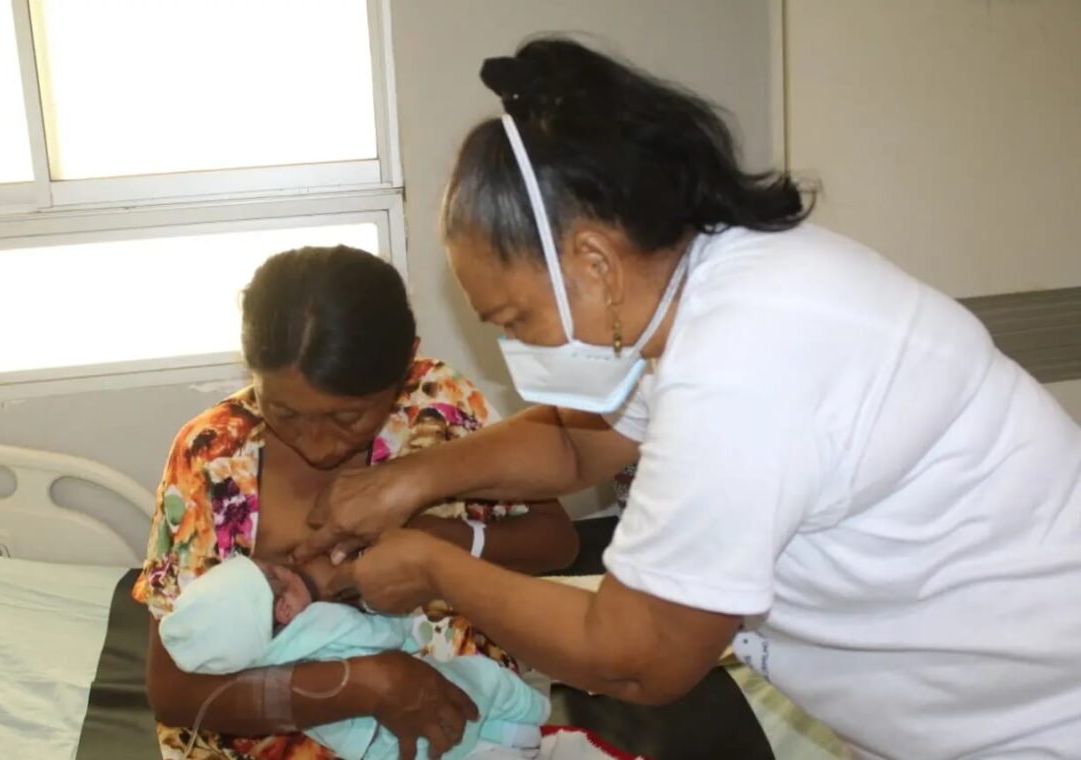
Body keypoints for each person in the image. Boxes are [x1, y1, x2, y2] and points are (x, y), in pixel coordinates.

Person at [295, 38, 1081, 759]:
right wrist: (414, 478)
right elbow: (577, 445)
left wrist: (437, 569)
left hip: (1036, 719)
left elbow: (636, 660)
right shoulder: (708, 283)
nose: (514, 346)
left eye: (515, 319)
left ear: (595, 260)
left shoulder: (742, 363)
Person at [133, 245, 577, 760]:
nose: (319, 444)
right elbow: (171, 692)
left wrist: (441, 546)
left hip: (458, 721)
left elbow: (558, 541)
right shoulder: (213, 457)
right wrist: (365, 684)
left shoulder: (438, 404)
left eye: (348, 419)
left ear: (406, 364)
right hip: (275, 737)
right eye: (284, 412)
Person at [159, 555, 550, 760]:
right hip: (428, 709)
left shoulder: (262, 664)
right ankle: (531, 719)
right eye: (277, 571)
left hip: (381, 750)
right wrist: (394, 617)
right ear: (283, 609)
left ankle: (510, 742)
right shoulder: (322, 622)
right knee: (483, 681)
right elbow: (382, 634)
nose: (289, 568)